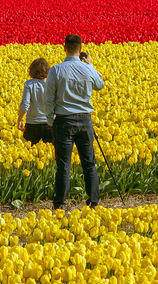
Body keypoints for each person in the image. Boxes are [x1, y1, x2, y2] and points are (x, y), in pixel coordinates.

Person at [44, 34, 104, 210]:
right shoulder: (87, 69)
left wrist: (50, 120)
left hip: (63, 120)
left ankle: (60, 203)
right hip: (85, 119)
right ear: (80, 49)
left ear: (64, 48)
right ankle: (93, 201)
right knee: (89, 163)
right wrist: (90, 65)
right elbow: (99, 85)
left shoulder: (56, 70)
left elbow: (49, 98)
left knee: (63, 165)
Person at [17, 58, 53, 145]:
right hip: (50, 124)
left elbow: (25, 104)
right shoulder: (52, 83)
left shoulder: (29, 84)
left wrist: (19, 120)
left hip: (32, 125)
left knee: (29, 153)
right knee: (50, 154)